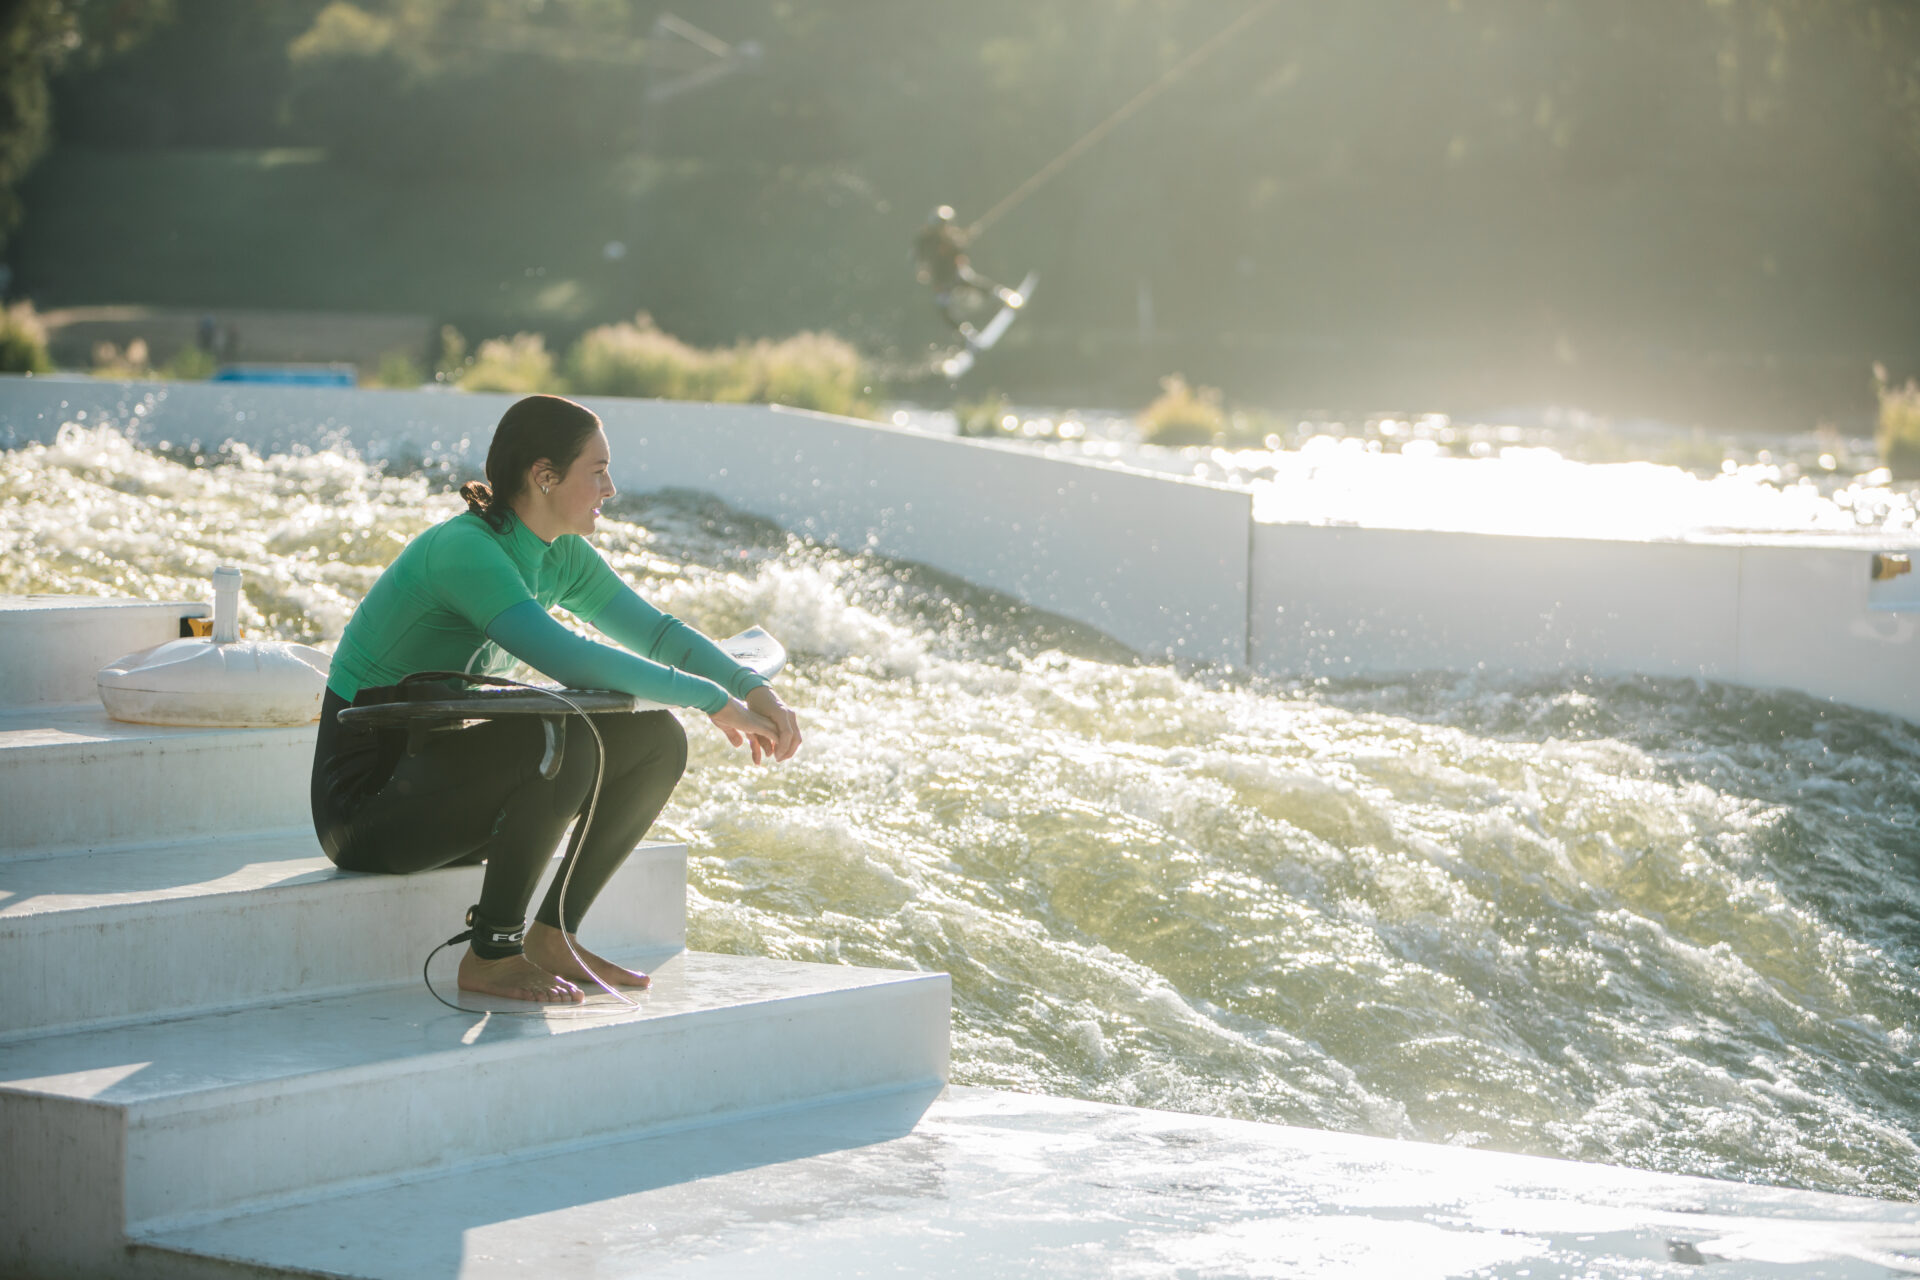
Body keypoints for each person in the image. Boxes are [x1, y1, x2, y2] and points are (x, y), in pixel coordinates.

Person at [310, 394, 801, 1004]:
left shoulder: (558, 554)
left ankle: (553, 935)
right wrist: (713, 701)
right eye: (597, 471)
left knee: (655, 741)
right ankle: (491, 953)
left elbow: (656, 633)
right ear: (544, 477)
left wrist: (753, 688)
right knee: (558, 734)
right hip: (368, 807)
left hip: (442, 783)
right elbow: (568, 658)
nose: (611, 487)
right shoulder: (466, 550)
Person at [913, 206, 1023, 337]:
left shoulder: (952, 236)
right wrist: (922, 270)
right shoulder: (925, 240)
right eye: (943, 225)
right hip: (941, 279)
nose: (946, 227)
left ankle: (1004, 296)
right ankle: (966, 333)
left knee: (973, 282)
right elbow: (918, 258)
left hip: (955, 273)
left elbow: (959, 249)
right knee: (944, 309)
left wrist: (966, 237)